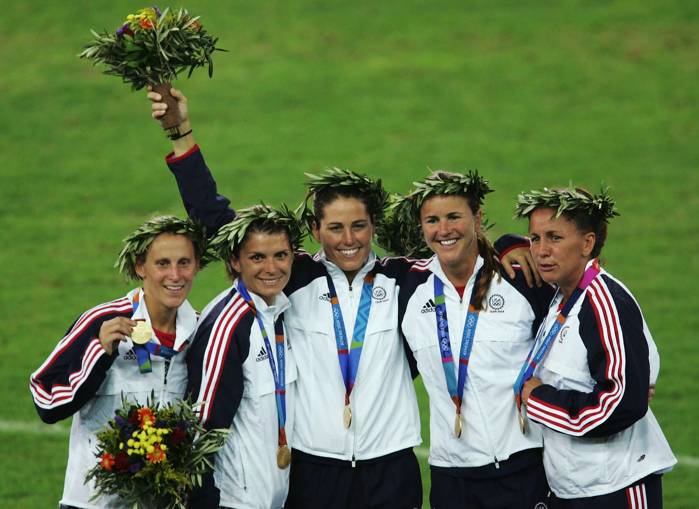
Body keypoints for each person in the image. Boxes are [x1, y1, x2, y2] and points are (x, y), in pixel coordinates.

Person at [148, 87, 536, 508]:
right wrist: (180, 133)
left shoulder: (407, 281)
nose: (348, 240)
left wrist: (514, 244)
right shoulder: (291, 276)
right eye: (335, 228)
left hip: (392, 472)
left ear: (374, 226)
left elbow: (458, 249)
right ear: (316, 231)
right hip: (315, 472)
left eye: (359, 227)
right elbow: (220, 223)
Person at [377, 171, 554, 509]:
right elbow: (345, 263)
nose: (444, 230)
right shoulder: (406, 288)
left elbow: (577, 312)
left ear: (477, 217)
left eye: (454, 216)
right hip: (452, 476)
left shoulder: (519, 278)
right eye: (432, 220)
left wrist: (513, 244)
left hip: (524, 466)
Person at [29, 216, 210, 509]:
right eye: (162, 263)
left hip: (164, 502)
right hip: (91, 502)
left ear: (197, 266)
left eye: (184, 263)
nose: (175, 275)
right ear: (141, 267)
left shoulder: (202, 332)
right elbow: (47, 402)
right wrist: (99, 354)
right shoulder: (102, 321)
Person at [515, 186, 677, 508]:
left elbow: (621, 405)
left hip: (618, 488)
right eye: (535, 239)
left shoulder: (604, 303)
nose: (541, 251)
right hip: (573, 488)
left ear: (587, 243)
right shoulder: (562, 297)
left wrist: (538, 399)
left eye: (555, 238)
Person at [185, 204, 303, 508]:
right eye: (257, 258)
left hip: (273, 496)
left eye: (281, 255)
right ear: (235, 261)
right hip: (234, 500)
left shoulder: (279, 310)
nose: (271, 268)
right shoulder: (228, 326)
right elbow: (201, 427)